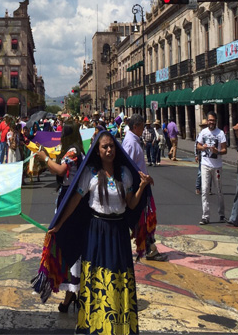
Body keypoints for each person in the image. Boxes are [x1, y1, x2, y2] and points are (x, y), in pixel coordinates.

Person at [33, 131, 151, 335]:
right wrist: (59, 224)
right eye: (104, 147)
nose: (109, 150)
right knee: (96, 279)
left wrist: (142, 186)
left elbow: (131, 204)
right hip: (97, 232)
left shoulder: (125, 173)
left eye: (112, 146)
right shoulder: (91, 174)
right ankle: (95, 326)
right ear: (97, 150)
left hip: (119, 233)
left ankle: (118, 327)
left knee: (119, 277)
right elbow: (74, 202)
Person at [35, 121, 85, 313]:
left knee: (67, 243)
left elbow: (62, 170)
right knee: (69, 243)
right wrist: (47, 161)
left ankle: (72, 292)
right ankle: (72, 292)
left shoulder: (73, 150)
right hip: (68, 195)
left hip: (69, 198)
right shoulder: (76, 150)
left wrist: (45, 158)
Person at [122, 114, 165, 261]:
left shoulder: (134, 141)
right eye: (141, 126)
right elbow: (128, 167)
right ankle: (149, 249)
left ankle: (149, 247)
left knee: (144, 218)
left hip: (142, 184)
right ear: (136, 127)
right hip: (138, 187)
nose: (143, 129)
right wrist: (143, 179)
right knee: (142, 218)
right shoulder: (131, 143)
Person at [196, 111, 227, 225]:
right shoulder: (203, 132)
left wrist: (217, 151)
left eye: (213, 120)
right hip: (205, 164)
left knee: (219, 190)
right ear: (207, 121)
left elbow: (225, 150)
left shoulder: (220, 133)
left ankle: (221, 213)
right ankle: (205, 216)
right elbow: (198, 145)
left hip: (217, 166)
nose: (211, 122)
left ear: (216, 121)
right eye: (210, 120)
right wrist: (202, 147)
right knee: (204, 191)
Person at [194, 119, 208, 195]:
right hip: (201, 156)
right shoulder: (200, 135)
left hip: (209, 156)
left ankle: (208, 188)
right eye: (204, 126)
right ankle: (198, 187)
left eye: (206, 126)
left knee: (209, 173)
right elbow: (196, 145)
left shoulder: (210, 134)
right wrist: (196, 155)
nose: (205, 127)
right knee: (200, 173)